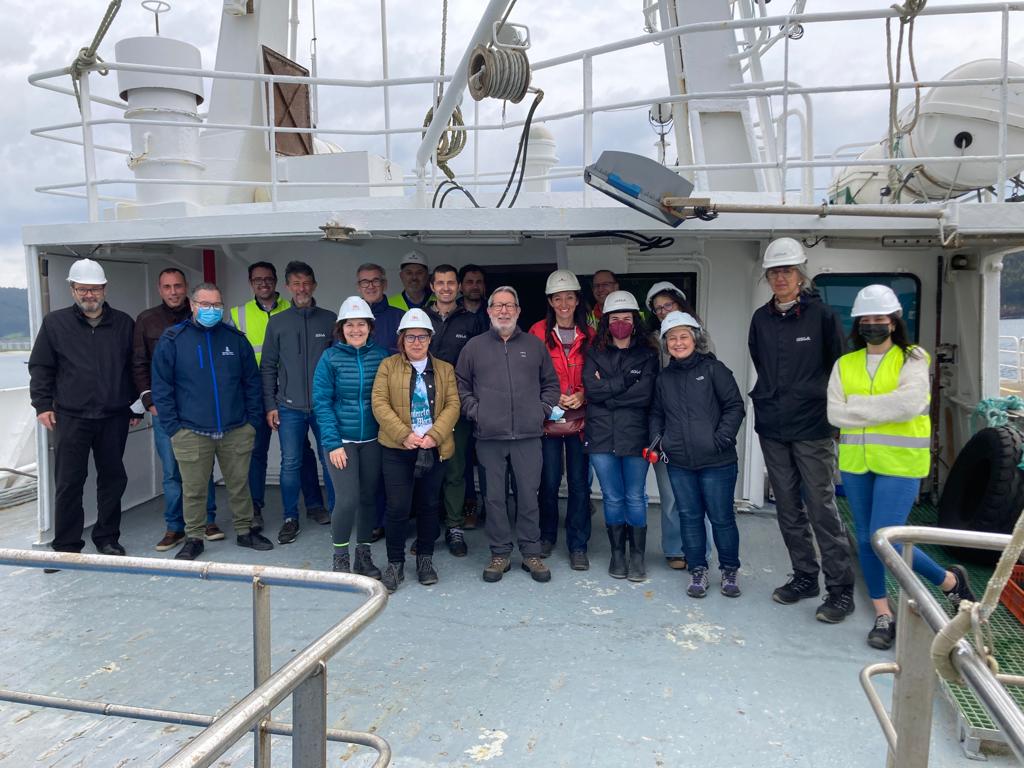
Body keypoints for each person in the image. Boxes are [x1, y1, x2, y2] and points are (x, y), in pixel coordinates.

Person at [827, 285, 975, 649]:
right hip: (857, 464)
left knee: (886, 539)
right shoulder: (844, 364)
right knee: (864, 538)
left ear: (893, 322)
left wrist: (858, 406)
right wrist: (881, 407)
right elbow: (834, 412)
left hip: (900, 464)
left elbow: (909, 405)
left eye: (880, 318)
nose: (873, 324)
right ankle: (883, 613)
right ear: (857, 324)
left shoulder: (913, 357)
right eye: (866, 319)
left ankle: (950, 582)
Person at [748, 237, 857, 623]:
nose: (780, 278)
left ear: (800, 275)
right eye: (775, 271)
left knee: (821, 506)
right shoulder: (761, 319)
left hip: (813, 426)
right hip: (774, 425)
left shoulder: (823, 316)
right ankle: (805, 577)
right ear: (767, 276)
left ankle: (841, 589)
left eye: (787, 271)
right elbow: (760, 360)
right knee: (788, 507)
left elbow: (839, 368)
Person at [151, 282, 274, 560]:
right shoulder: (173, 340)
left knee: (240, 484)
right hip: (191, 430)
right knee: (193, 489)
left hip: (235, 429)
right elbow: (162, 387)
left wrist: (251, 422)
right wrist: (174, 428)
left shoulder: (235, 339)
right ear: (193, 306)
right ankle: (194, 537)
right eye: (205, 305)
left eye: (216, 305)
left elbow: (251, 383)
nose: (211, 310)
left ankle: (245, 531)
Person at [29, 258, 137, 564]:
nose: (88, 295)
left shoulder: (124, 323)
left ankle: (107, 538)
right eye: (81, 289)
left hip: (113, 415)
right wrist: (42, 404)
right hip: (71, 416)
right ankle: (66, 546)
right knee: (68, 482)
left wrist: (135, 406)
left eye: (93, 289)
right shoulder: (55, 324)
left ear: (104, 289)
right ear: (72, 290)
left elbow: (133, 369)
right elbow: (41, 368)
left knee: (113, 479)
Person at [457, 287, 561, 584]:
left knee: (529, 496)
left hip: (529, 435)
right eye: (498, 306)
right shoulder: (474, 347)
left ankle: (531, 553)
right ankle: (500, 553)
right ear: (489, 311)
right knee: (494, 498)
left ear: (518, 311)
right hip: (489, 436)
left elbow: (551, 385)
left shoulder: (534, 345)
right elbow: (461, 385)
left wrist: (540, 410)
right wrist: (476, 411)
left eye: (509, 306)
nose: (504, 311)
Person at [651, 312, 745, 598]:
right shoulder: (664, 378)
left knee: (721, 518)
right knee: (689, 517)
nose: (678, 343)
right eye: (672, 338)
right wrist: (661, 441)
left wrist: (721, 439)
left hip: (717, 461)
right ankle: (698, 570)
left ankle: (729, 570)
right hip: (679, 462)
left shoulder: (715, 370)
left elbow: (734, 406)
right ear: (665, 344)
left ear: (696, 339)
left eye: (684, 336)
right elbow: (656, 413)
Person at [230, 262, 324, 531]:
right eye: (257, 280)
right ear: (250, 283)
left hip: (299, 399)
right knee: (258, 453)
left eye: (268, 279)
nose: (263, 284)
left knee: (303, 455)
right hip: (258, 395)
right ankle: (257, 508)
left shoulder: (298, 312)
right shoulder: (239, 314)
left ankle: (315, 505)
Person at [372, 308, 461, 592]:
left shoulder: (445, 369)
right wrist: (404, 435)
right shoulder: (388, 366)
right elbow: (379, 403)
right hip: (398, 448)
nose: (416, 342)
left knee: (429, 506)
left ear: (430, 338)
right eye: (410, 337)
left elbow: (453, 405)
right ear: (401, 338)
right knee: (397, 507)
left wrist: (435, 435)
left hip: (434, 448)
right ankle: (395, 564)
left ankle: (425, 559)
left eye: (422, 336)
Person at [133, 268, 222, 551]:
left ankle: (208, 521)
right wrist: (150, 401)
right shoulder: (147, 321)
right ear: (160, 289)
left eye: (178, 286)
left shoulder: (200, 317)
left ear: (187, 290)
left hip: (198, 410)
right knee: (172, 471)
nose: (173, 291)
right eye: (167, 286)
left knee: (202, 469)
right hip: (166, 412)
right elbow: (138, 364)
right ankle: (175, 527)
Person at [583, 291, 659, 580]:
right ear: (606, 322)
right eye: (615, 319)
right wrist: (627, 381)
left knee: (635, 497)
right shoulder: (595, 352)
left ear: (635, 321)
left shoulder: (647, 354)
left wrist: (610, 392)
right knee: (612, 498)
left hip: (636, 435)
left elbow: (646, 394)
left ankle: (637, 557)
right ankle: (618, 555)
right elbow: (592, 390)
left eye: (627, 319)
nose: (621, 324)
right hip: (601, 437)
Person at [261, 261, 337, 544]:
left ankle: (335, 514)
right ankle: (290, 517)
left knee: (330, 461)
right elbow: (268, 366)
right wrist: (271, 405)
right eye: (296, 283)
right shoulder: (277, 322)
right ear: (288, 287)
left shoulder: (330, 320)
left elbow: (338, 364)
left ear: (314, 285)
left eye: (306, 283)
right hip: (289, 407)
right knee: (290, 464)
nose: (301, 288)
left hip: (323, 407)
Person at [313, 297, 388, 575]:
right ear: (341, 328)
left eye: (361, 324)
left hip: (372, 441)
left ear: (370, 327)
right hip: (341, 441)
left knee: (369, 498)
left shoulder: (381, 356)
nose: (356, 330)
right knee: (347, 500)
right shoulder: (330, 357)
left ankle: (363, 555)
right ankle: (340, 555)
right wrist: (332, 443)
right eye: (350, 325)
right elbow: (321, 401)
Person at [529, 270, 594, 570]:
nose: (564, 303)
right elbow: (529, 375)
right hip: (549, 420)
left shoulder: (591, 334)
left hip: (582, 422)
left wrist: (582, 394)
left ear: (578, 300)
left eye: (569, 296)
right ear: (550, 301)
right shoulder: (537, 332)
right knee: (549, 481)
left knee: (580, 485)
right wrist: (552, 397)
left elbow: (600, 374)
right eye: (558, 298)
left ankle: (578, 545)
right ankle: (546, 536)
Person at [425, 263, 488, 556]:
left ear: (459, 287)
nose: (446, 288)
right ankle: (427, 530)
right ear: (432, 287)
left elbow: (480, 366)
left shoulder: (472, 321)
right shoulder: (419, 318)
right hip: (421, 408)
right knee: (424, 471)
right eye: (441, 283)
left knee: (455, 469)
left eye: (451, 283)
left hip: (458, 408)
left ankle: (454, 527)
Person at [457, 263, 489, 527]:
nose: (474, 286)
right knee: (464, 457)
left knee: (490, 455)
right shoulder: (454, 315)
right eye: (469, 281)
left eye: (479, 281)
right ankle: (468, 505)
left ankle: (491, 505)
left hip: (491, 396)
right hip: (462, 396)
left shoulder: (496, 312)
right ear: (461, 286)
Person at [356, 262, 403, 354]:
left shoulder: (401, 317)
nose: (371, 286)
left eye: (375, 281)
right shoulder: (347, 320)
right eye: (365, 282)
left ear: (384, 284)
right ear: (359, 287)